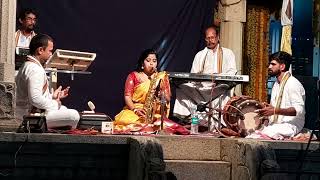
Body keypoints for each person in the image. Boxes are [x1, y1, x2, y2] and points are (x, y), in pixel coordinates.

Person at [173, 26, 237, 130]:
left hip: (219, 88)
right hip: (201, 88)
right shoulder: (199, 55)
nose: (210, 41)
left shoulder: (228, 53)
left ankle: (217, 125)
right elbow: (192, 75)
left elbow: (232, 72)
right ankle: (195, 123)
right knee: (181, 89)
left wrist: (218, 77)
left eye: (212, 38)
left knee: (224, 92)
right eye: (208, 38)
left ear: (218, 38)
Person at [15, 34, 80, 129]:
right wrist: (55, 103)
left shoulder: (29, 65)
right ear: (40, 50)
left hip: (31, 113)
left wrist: (52, 96)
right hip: (29, 118)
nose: (51, 54)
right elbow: (35, 99)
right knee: (74, 115)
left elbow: (34, 96)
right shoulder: (34, 69)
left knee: (64, 109)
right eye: (50, 51)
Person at [114, 49, 171, 126]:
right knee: (128, 121)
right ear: (142, 63)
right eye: (148, 60)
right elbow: (127, 96)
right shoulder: (133, 76)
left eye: (154, 61)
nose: (151, 64)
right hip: (135, 110)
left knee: (160, 123)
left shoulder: (160, 77)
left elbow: (168, 98)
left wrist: (162, 95)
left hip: (154, 113)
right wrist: (135, 110)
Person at [257, 51, 305, 139]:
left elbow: (299, 110)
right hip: (277, 124)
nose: (269, 67)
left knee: (263, 132)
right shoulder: (276, 84)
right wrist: (268, 108)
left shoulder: (293, 84)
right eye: (270, 64)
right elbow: (275, 107)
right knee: (254, 129)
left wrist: (275, 110)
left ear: (282, 66)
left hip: (291, 125)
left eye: (273, 64)